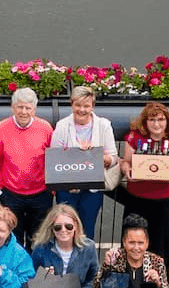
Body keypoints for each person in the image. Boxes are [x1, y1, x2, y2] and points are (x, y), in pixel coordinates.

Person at [120, 101, 169, 261]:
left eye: (160, 119)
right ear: (145, 122)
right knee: (133, 243)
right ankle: (132, 281)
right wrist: (127, 171)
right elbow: (125, 162)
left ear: (167, 121)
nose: (156, 124)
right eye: (152, 120)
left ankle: (160, 282)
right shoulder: (135, 136)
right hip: (137, 200)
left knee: (163, 246)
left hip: (165, 202)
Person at [49, 85, 118, 240]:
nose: (82, 110)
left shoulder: (104, 125)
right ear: (71, 104)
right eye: (78, 105)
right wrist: (75, 154)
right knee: (64, 231)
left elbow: (113, 158)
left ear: (92, 106)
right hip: (67, 189)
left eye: (86, 106)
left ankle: (86, 264)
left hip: (92, 189)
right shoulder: (62, 126)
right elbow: (55, 158)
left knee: (86, 233)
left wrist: (94, 154)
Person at [0, 87, 55, 244]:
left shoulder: (45, 128)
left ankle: (35, 268)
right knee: (13, 238)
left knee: (39, 238)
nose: (24, 112)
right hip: (12, 194)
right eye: (20, 107)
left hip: (40, 194)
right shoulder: (2, 128)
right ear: (13, 107)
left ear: (34, 109)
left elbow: (52, 160)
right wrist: (0, 187)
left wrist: (52, 189)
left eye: (28, 108)